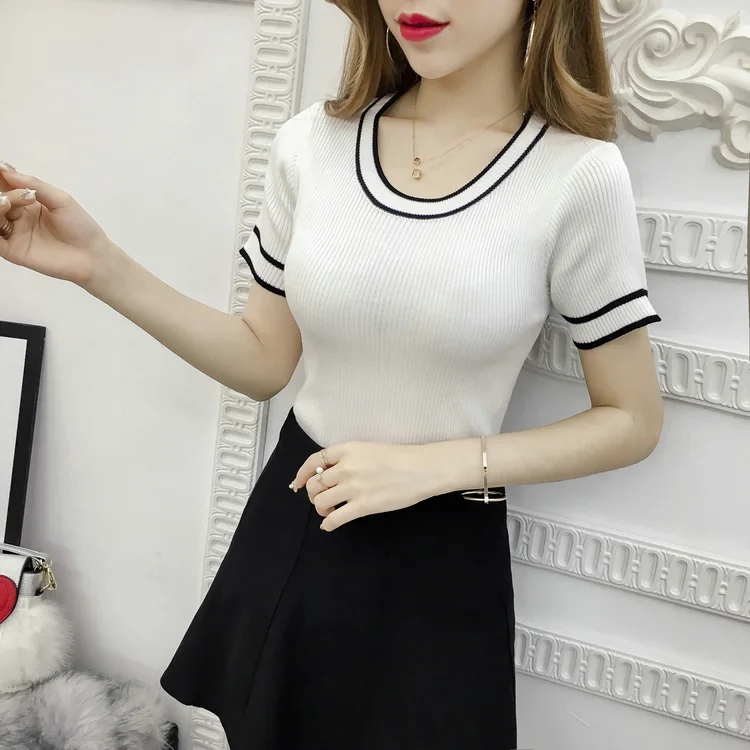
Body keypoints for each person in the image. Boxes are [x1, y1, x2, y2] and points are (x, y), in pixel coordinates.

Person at [0, 0, 664, 747]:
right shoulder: (311, 144)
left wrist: (436, 467)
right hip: (299, 519)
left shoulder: (576, 174)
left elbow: (632, 419)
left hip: (440, 550)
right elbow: (262, 359)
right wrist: (97, 266)